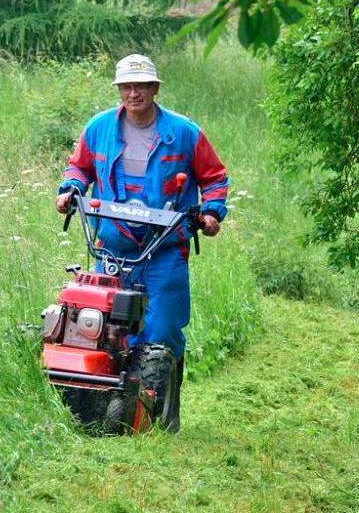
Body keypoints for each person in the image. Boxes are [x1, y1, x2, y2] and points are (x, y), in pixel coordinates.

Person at [54, 54, 229, 431]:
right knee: (103, 329)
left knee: (161, 330)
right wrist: (70, 189)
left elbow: (214, 177)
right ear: (119, 90)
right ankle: (102, 412)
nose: (134, 93)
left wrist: (212, 212)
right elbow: (78, 167)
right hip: (113, 245)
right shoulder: (99, 128)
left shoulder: (183, 133)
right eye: (126, 87)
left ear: (154, 88)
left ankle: (161, 415)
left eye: (141, 86)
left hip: (164, 247)